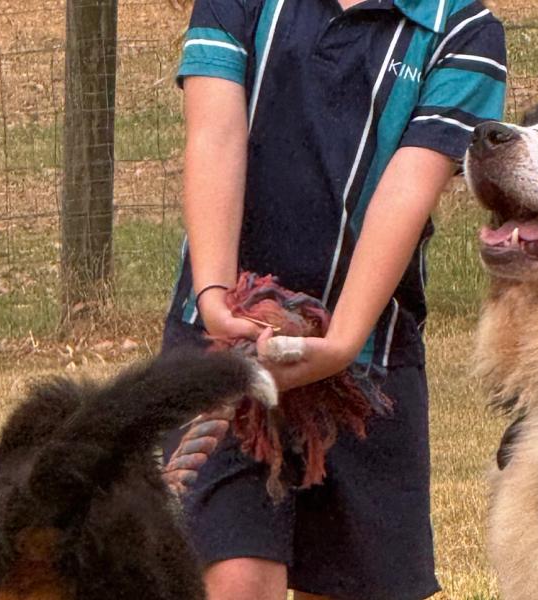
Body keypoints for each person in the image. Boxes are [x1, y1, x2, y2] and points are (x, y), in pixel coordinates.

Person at [159, 0, 508, 598]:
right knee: (237, 579)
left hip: (369, 365)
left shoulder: (464, 31)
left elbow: (407, 189)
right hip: (221, 345)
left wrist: (342, 343)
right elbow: (214, 136)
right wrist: (215, 298)